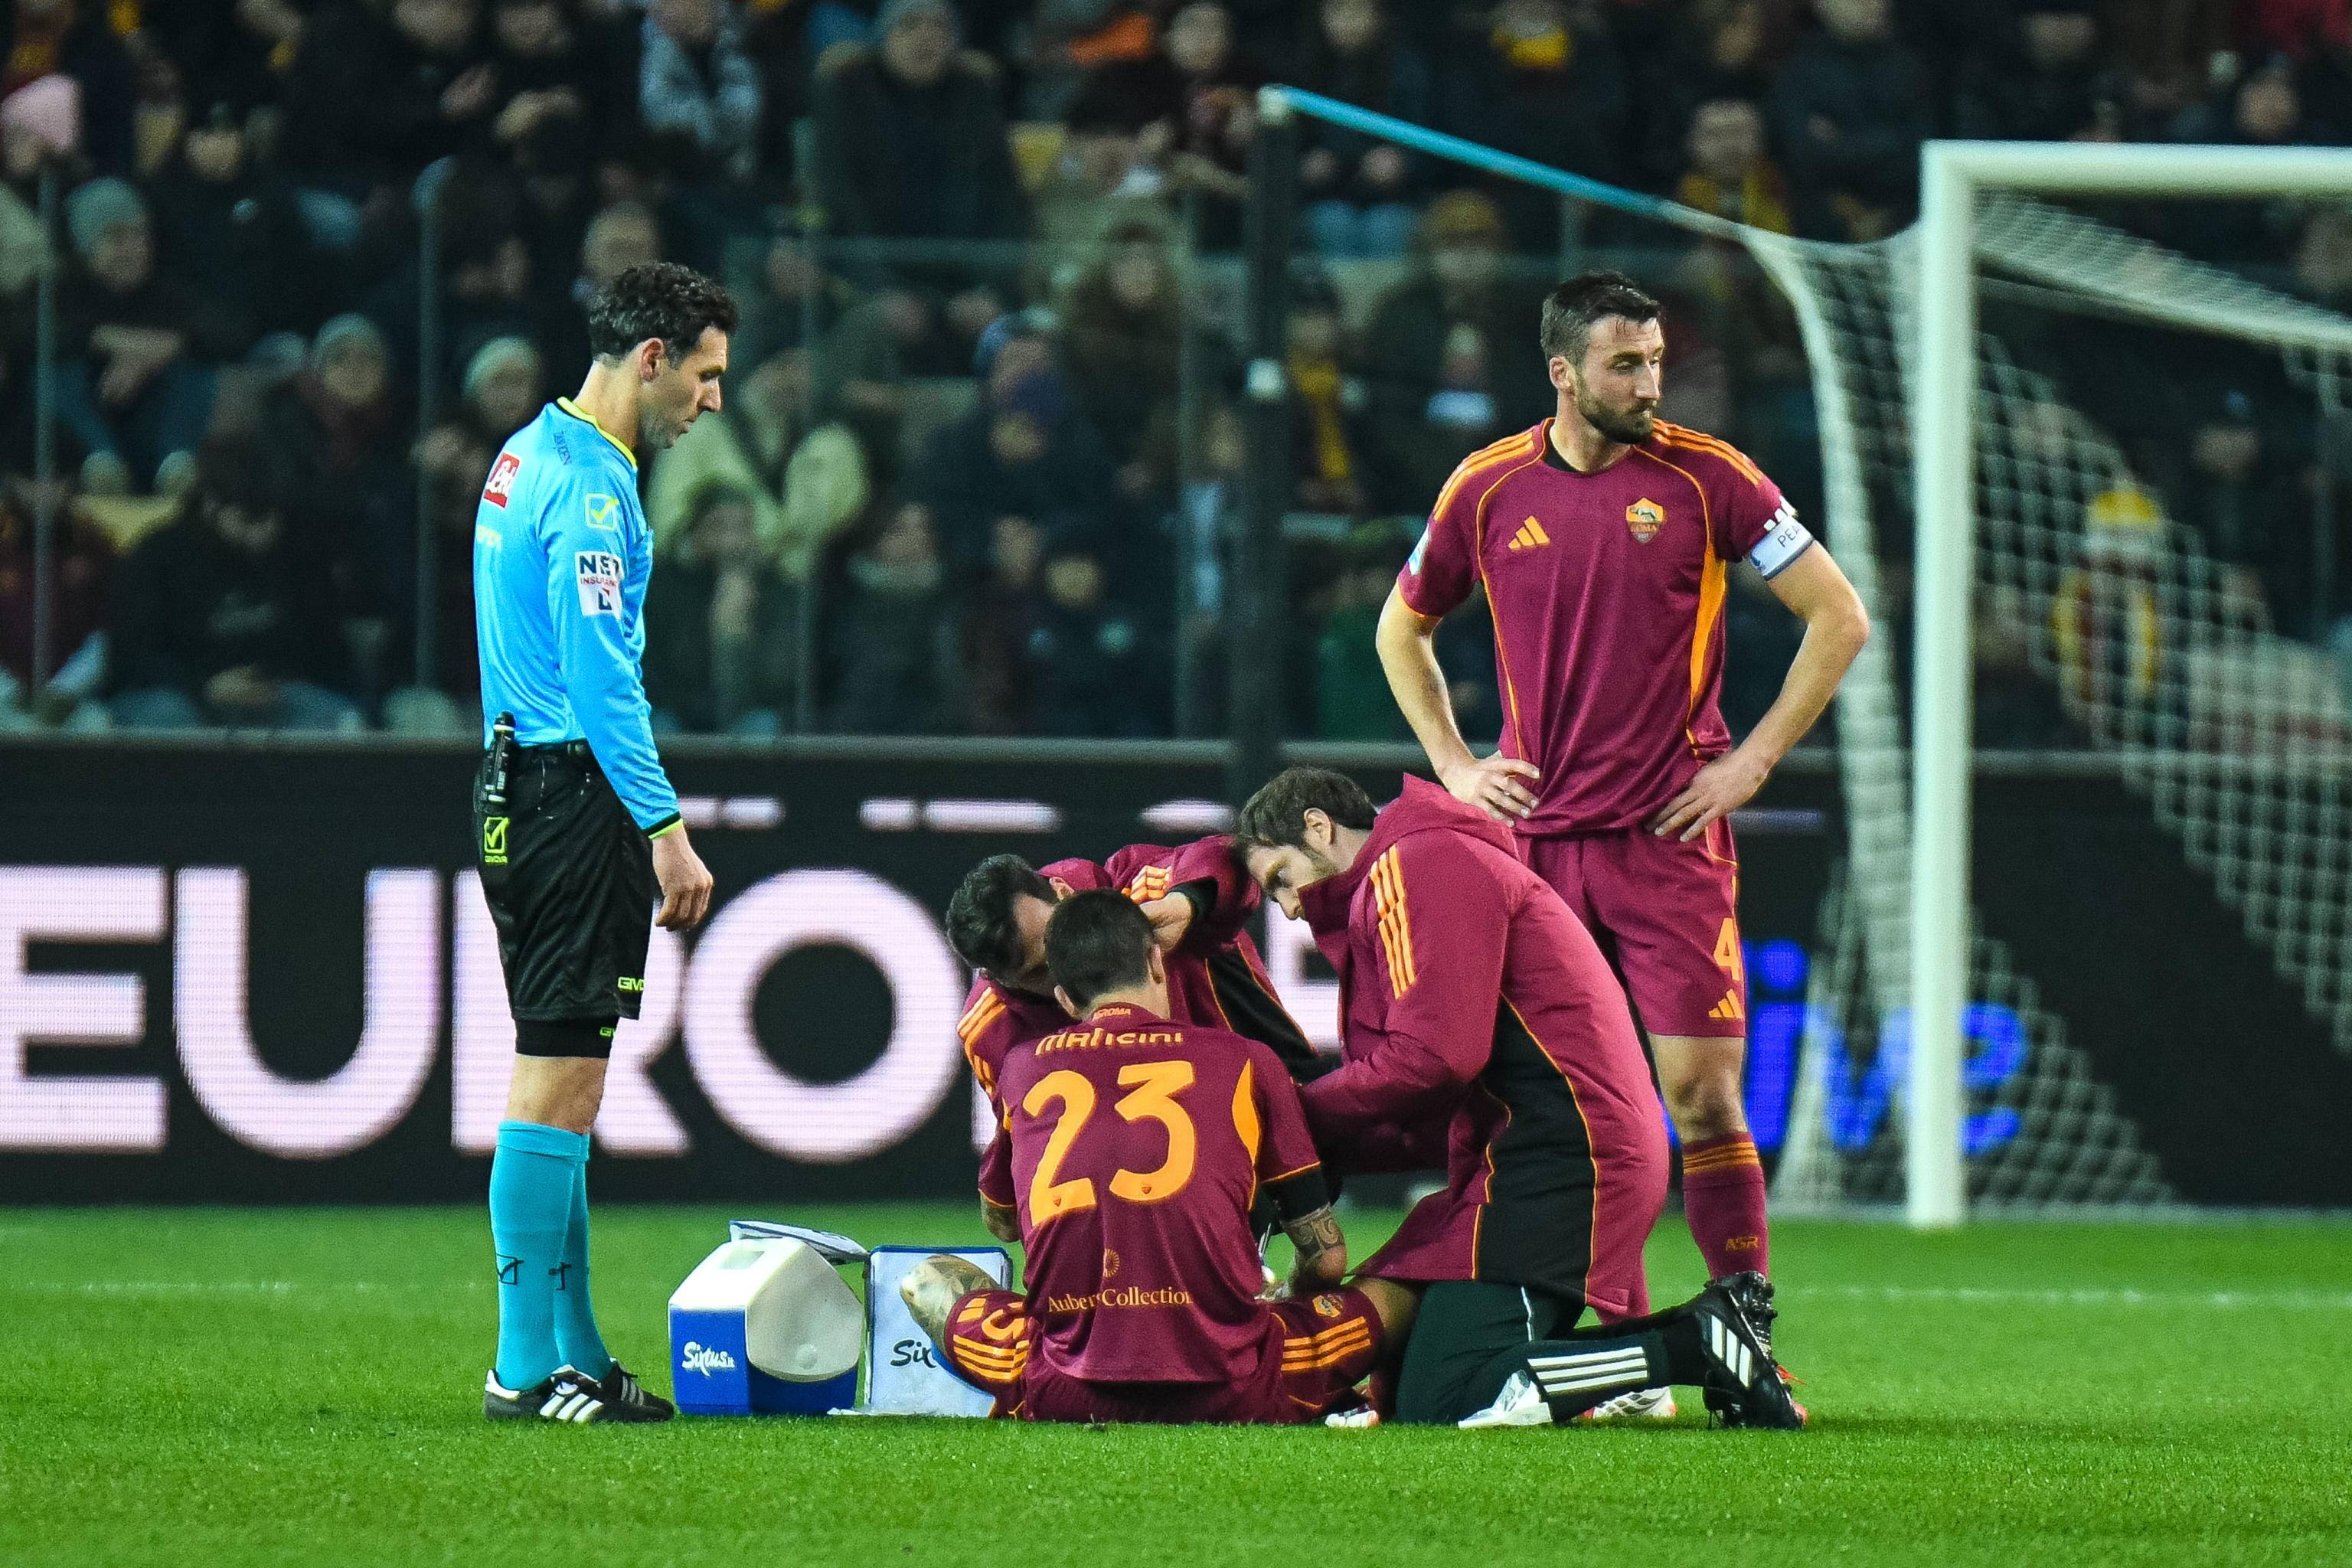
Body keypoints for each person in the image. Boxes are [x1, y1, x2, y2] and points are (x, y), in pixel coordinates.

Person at [1373, 272, 1869, 1374]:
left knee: (1703, 1098)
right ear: (1563, 373)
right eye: (1626, 364)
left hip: (1668, 844)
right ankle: (1589, 1346)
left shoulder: (1710, 478)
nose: (1650, 384)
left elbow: (1839, 616)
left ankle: (1747, 1334)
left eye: (1656, 362)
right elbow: (1399, 631)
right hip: (1533, 856)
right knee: (1534, 1110)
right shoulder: (1486, 486)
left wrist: (1752, 761)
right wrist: (1455, 766)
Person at [1233, 766, 1803, 1431]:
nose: (1290, 907)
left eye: (1282, 878)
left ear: (1318, 827)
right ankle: (1659, 1351)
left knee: (1451, 1399)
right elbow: (1423, 1102)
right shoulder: (1420, 861)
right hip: (1538, 1150)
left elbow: (1435, 1058)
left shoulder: (1418, 861)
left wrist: (1290, 1117)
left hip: (1567, 1154)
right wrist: (1303, 1151)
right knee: (1407, 1390)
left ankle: (1696, 1344)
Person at [471, 261, 734, 1424]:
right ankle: (522, 1367)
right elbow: (598, 676)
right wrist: (664, 827)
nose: (713, 401)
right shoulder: (589, 491)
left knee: (569, 1076)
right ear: (652, 358)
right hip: (570, 793)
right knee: (556, 1079)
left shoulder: (528, 450)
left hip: (515, 785)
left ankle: (572, 1347)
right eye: (706, 374)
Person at [899, 890, 1392, 1426]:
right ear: (1157, 961)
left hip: (1065, 1388)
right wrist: (1285, 1297)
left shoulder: (1021, 1068)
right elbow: (1327, 1260)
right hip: (1236, 1385)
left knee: (927, 1280)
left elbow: (1001, 1223)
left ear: (1064, 999)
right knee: (1402, 1283)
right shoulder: (1248, 1060)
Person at [943, 835, 1320, 1241]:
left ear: (1062, 891)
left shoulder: (1135, 898)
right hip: (1160, 1183)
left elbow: (1232, 856)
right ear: (996, 979)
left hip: (1294, 1103)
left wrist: (1187, 903)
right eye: (1039, 973)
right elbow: (1031, 1168)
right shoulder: (990, 1030)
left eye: (1056, 942)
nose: (1065, 970)